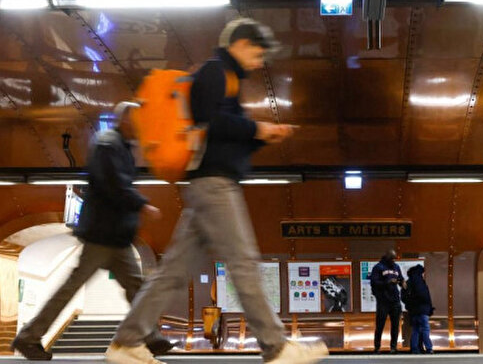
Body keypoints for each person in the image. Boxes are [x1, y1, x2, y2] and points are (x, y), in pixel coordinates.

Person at [105, 18, 328, 364]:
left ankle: (126, 343)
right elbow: (212, 122)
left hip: (208, 185)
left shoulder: (227, 80)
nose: (259, 61)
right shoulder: (216, 73)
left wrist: (263, 135)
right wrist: (258, 128)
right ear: (240, 44)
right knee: (243, 263)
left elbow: (224, 136)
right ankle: (276, 346)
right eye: (258, 52)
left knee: (174, 272)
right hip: (214, 185)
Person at [11, 102, 172, 360]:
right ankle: (28, 338)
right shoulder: (109, 144)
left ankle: (151, 336)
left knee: (135, 286)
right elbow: (113, 183)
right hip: (102, 233)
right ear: (126, 121)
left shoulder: (121, 147)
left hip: (116, 235)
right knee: (73, 287)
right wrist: (142, 204)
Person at [370, 250, 404, 354]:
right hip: (383, 301)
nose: (393, 261)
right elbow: (374, 282)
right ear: (387, 257)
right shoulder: (378, 267)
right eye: (392, 259)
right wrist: (387, 282)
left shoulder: (396, 267)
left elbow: (400, 278)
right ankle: (377, 347)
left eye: (394, 259)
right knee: (380, 325)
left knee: (395, 325)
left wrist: (402, 282)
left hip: (395, 300)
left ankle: (393, 347)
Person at [403, 265, 434, 354]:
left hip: (413, 311)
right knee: (425, 329)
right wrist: (429, 309)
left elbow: (403, 296)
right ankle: (429, 348)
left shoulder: (408, 282)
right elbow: (426, 297)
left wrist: (409, 305)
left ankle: (415, 349)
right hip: (423, 310)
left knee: (415, 330)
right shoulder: (421, 282)